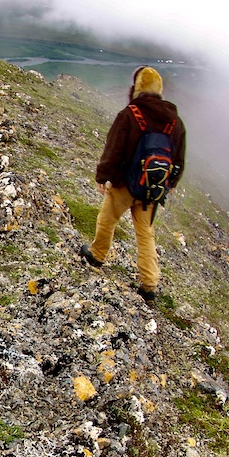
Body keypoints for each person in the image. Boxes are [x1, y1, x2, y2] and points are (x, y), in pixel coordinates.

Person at [80, 66, 186, 302]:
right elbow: (178, 159)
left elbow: (113, 149)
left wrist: (102, 176)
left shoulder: (130, 114)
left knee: (108, 218)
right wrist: (169, 184)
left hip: (125, 185)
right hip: (152, 189)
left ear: (136, 88)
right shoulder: (175, 122)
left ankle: (97, 254)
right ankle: (149, 284)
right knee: (146, 234)